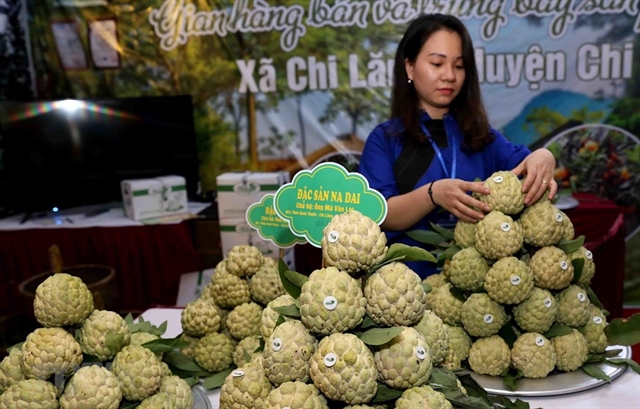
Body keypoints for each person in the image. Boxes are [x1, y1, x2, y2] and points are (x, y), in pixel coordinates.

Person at [358, 13, 558, 278]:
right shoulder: (386, 139)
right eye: (437, 63)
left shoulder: (480, 135)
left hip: (477, 286)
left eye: (459, 65)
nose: (449, 76)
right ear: (409, 67)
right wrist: (432, 193)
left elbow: (525, 166)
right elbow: (377, 214)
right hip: (405, 287)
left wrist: (544, 157)